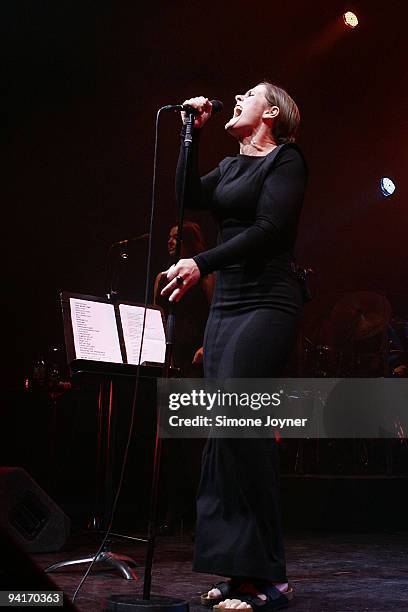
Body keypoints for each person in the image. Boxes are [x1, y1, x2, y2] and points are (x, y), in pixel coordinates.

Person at [161, 82, 308, 610]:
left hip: (268, 301)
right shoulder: (228, 167)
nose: (236, 97)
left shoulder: (286, 161)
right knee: (223, 435)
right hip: (228, 306)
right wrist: (188, 134)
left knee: (243, 429)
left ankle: (271, 576)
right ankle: (239, 574)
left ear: (270, 112)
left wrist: (201, 263)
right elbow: (186, 199)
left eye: (249, 93)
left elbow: (270, 229)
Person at [155, 222, 214, 534]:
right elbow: (157, 315)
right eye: (168, 236)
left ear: (192, 242)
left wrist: (208, 345)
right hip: (171, 359)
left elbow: (217, 311)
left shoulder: (205, 275)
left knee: (194, 441)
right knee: (170, 440)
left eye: (176, 237)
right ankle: (173, 510)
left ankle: (200, 513)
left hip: (196, 360)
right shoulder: (162, 277)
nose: (170, 241)